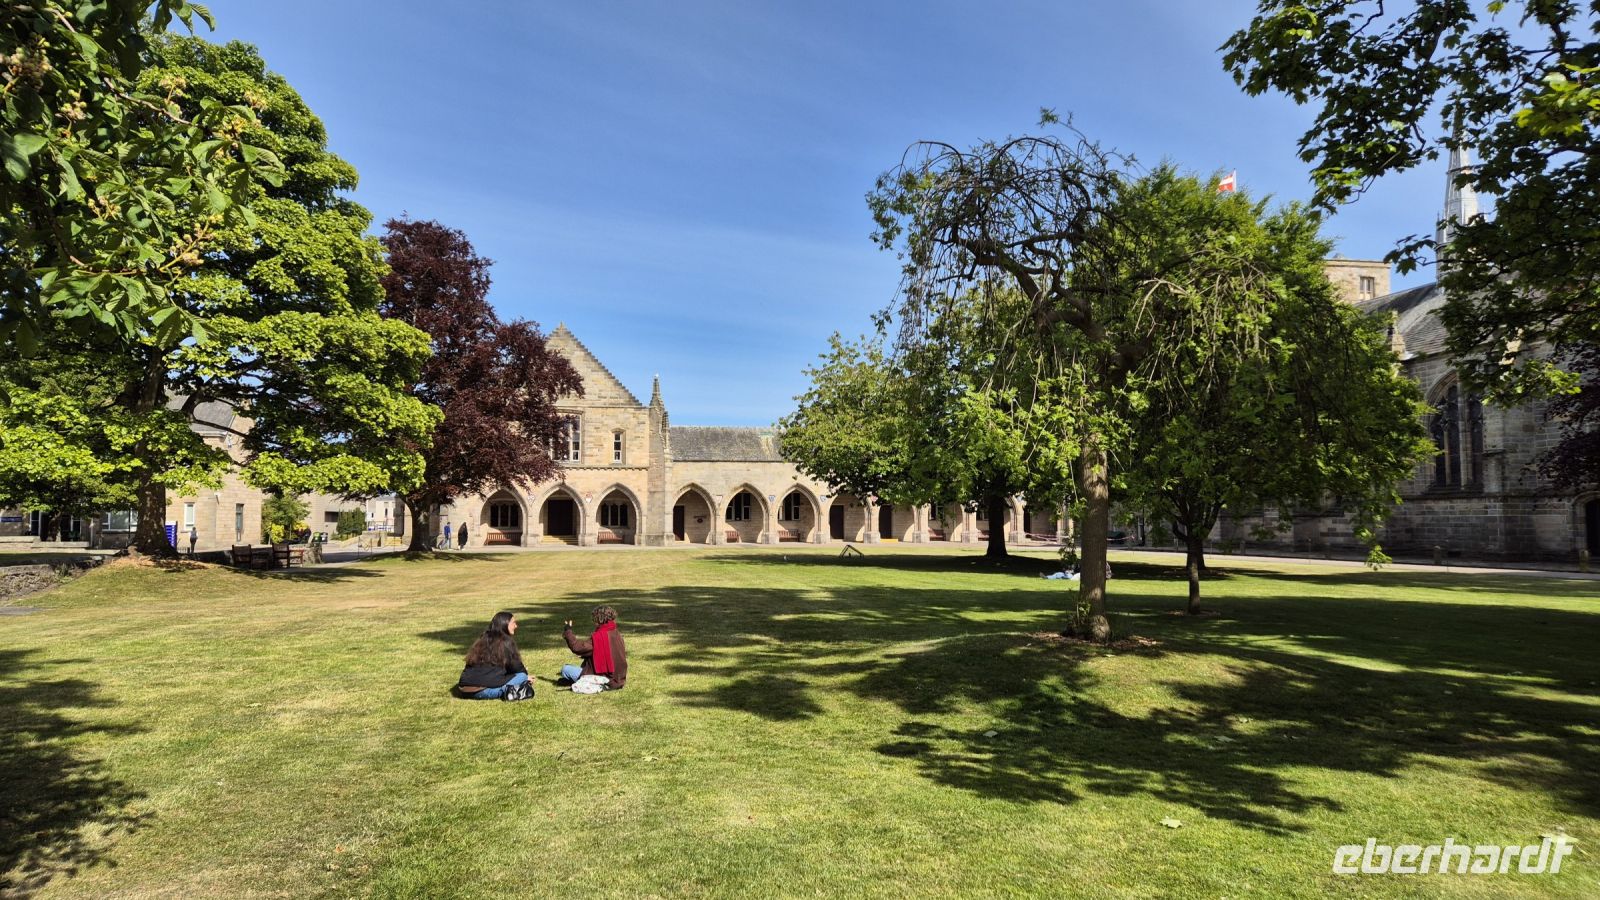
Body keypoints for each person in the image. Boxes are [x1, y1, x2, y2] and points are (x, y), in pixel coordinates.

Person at [457, 611, 533, 701]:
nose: (516, 626)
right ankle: (505, 690)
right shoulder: (506, 642)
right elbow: (517, 667)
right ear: (505, 624)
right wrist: (526, 677)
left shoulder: (483, 638)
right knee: (522, 676)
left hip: (463, 689)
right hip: (480, 691)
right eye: (513, 623)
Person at [560, 605, 627, 691]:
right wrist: (586, 655)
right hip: (619, 678)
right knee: (583, 664)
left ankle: (583, 681)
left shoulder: (599, 637)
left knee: (565, 669)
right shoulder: (616, 633)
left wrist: (568, 631)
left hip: (604, 678)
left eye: (594, 618)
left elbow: (576, 647)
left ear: (598, 619)